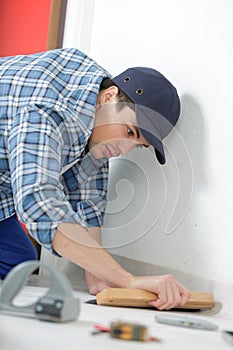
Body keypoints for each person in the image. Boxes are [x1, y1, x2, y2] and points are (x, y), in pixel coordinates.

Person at [0, 47, 190, 310]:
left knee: (16, 261)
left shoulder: (98, 110)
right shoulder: (50, 108)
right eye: (130, 132)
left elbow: (88, 201)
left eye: (137, 145)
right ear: (111, 96)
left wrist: (98, 274)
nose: (124, 150)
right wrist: (128, 280)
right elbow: (38, 202)